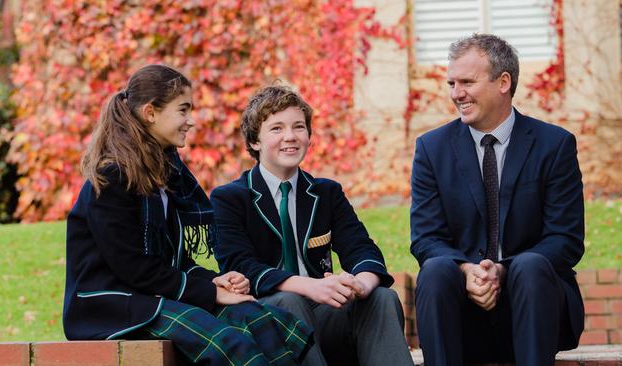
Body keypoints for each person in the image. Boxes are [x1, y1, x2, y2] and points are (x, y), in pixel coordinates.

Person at [63, 64, 314, 366]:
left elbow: (172, 261)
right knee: (228, 343)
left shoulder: (165, 175)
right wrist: (209, 292)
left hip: (152, 295)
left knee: (259, 318)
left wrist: (217, 281)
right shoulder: (112, 177)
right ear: (150, 113)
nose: (190, 121)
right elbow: (134, 269)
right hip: (112, 306)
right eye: (183, 110)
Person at [410, 33, 585, 365]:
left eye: (467, 82)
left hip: (536, 306)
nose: (456, 93)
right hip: (462, 314)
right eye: (451, 83)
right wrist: (466, 271)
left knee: (532, 265)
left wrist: (503, 272)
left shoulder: (554, 145)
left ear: (503, 82)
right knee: (435, 270)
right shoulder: (431, 149)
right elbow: (426, 238)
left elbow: (566, 239)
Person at [210, 85, 414, 366]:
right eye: (277, 129)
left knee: (381, 298)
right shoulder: (230, 198)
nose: (290, 137)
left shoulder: (326, 193)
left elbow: (361, 248)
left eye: (298, 127)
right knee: (290, 301)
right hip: (264, 321)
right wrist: (309, 286)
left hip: (323, 316)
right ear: (255, 141)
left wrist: (360, 284)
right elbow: (240, 265)